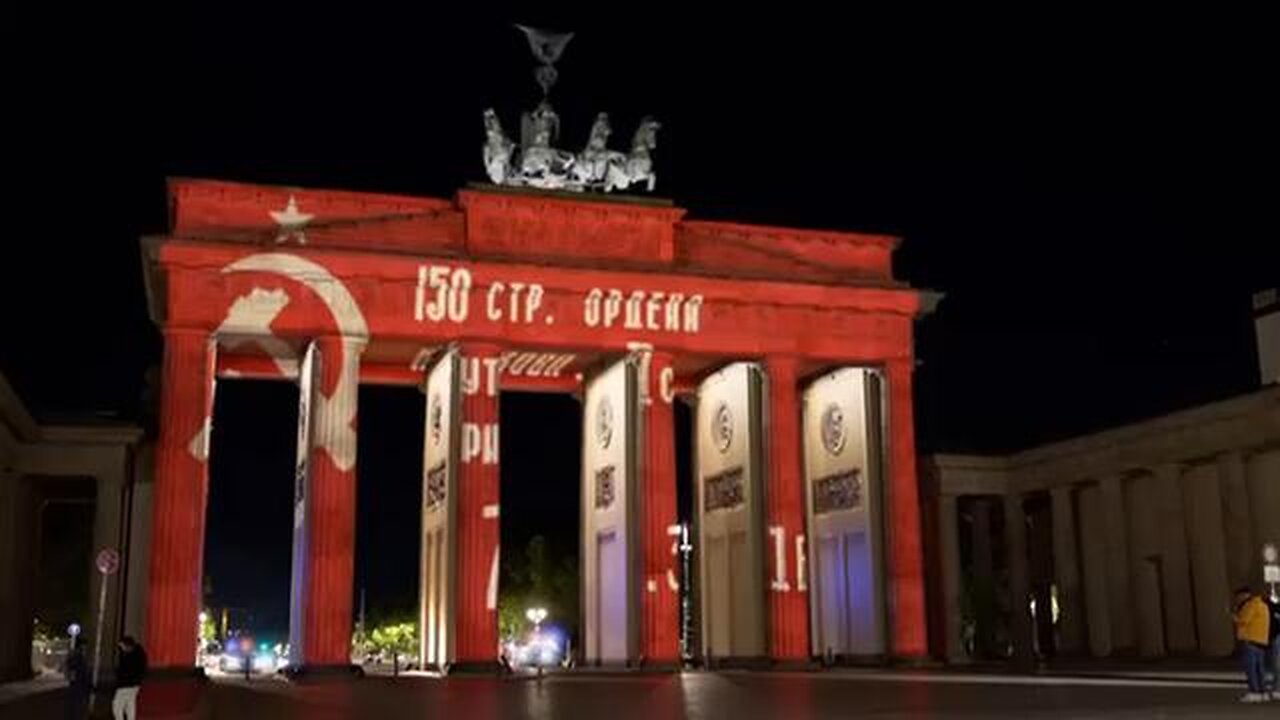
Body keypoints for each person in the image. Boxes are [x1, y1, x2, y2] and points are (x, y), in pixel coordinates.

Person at [1232, 587, 1271, 703]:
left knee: (1251, 668)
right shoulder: (1263, 605)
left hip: (1250, 639)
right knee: (1260, 669)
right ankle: (1262, 692)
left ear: (1244, 595)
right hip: (1261, 640)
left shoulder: (1250, 605)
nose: (1237, 599)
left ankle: (1254, 692)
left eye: (1238, 596)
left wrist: (1235, 617)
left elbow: (1244, 620)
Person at [113, 636, 147, 720]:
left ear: (128, 646)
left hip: (125, 684)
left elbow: (124, 670)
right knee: (130, 705)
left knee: (117, 706)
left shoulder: (129, 656)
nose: (121, 648)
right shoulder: (140, 654)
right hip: (135, 684)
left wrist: (119, 674)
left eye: (122, 646)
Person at [62, 643, 90, 720]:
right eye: (83, 648)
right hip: (79, 685)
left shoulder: (74, 659)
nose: (85, 650)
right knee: (77, 706)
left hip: (76, 685)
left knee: (73, 706)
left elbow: (69, 673)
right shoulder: (79, 659)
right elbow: (75, 673)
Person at [1267, 588, 1280, 700]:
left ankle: (1277, 688)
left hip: (1276, 638)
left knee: (1277, 664)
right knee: (1275, 664)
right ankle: (1276, 687)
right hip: (1275, 637)